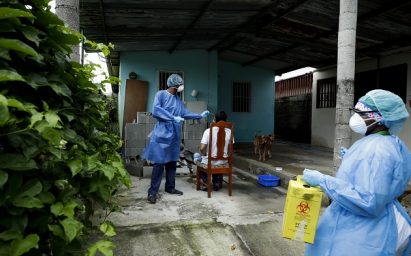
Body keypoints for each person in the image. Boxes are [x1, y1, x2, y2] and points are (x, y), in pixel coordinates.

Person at [302, 89, 411, 256]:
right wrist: (354, 158)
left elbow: (369, 201)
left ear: (380, 119)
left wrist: (323, 180)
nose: (355, 116)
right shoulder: (388, 141)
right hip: (375, 219)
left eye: (361, 112)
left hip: (367, 230)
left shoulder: (377, 150)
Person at [144, 74, 209, 204]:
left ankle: (170, 187)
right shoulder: (161, 94)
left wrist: (199, 115)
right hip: (162, 134)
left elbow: (185, 113)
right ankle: (152, 192)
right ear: (175, 85)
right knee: (159, 163)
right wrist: (172, 117)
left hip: (174, 135)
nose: (182, 86)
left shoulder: (178, 100)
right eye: (180, 84)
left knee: (172, 162)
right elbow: (156, 110)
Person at [194, 111, 233, 191]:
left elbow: (202, 148)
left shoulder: (208, 131)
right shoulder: (229, 132)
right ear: (225, 120)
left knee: (197, 157)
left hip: (210, 162)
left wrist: (204, 154)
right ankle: (216, 182)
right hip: (224, 162)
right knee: (216, 161)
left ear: (214, 119)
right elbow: (229, 149)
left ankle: (205, 182)